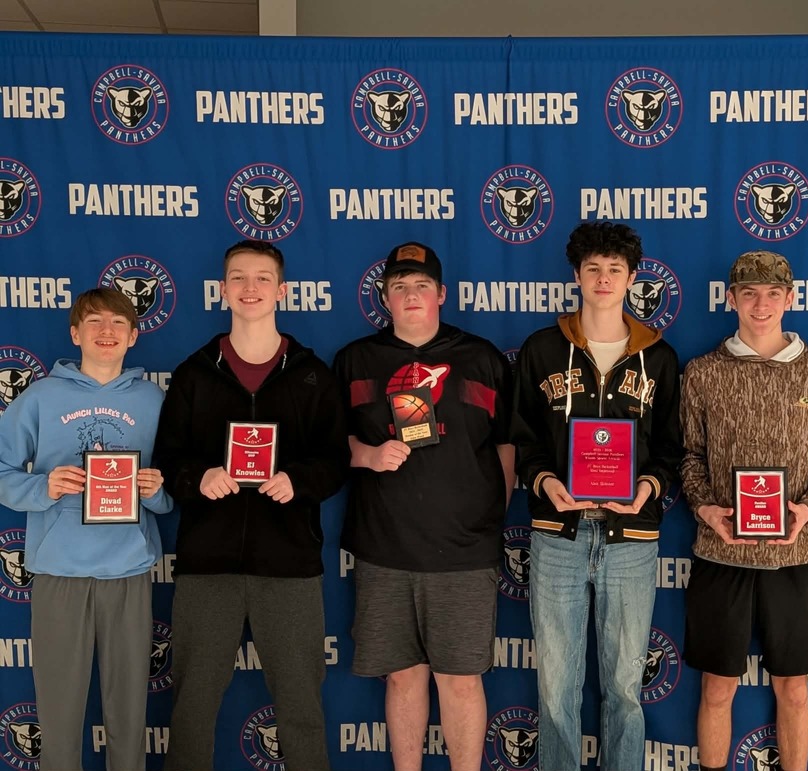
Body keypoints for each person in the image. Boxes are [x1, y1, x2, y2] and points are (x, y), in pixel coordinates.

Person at [154, 240, 349, 771]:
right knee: (192, 705)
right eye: (238, 277)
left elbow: (335, 459)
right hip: (207, 564)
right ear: (222, 290)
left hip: (289, 564)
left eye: (263, 278)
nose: (250, 288)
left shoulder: (311, 374)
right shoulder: (195, 373)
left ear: (282, 291)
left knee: (301, 706)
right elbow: (168, 457)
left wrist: (298, 481)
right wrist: (199, 477)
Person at [332, 241, 514, 771]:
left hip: (464, 550)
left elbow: (506, 445)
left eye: (421, 285)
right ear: (384, 298)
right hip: (385, 546)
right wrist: (367, 455)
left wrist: (491, 513)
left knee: (461, 680)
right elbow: (327, 444)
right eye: (399, 287)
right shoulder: (355, 360)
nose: (410, 295)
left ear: (441, 294)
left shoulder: (481, 358)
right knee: (402, 677)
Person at [511, 221, 682, 771]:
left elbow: (672, 448)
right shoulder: (542, 350)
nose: (603, 279)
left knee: (625, 689)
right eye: (593, 269)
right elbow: (523, 439)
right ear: (576, 275)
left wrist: (648, 488)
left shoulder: (659, 357)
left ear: (632, 279)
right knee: (556, 686)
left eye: (614, 269)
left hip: (631, 536)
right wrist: (545, 483)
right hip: (557, 533)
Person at [680, 251, 808, 771]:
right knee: (716, 689)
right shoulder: (703, 372)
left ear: (790, 298)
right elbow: (688, 456)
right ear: (731, 299)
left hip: (795, 556)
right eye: (749, 293)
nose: (761, 304)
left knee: (794, 690)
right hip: (721, 554)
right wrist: (706, 508)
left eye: (773, 293)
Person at [0, 288, 172, 771]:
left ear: (133, 336)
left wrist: (155, 492)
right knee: (58, 713)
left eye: (118, 322)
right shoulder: (41, 396)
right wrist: (43, 487)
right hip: (60, 570)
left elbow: (175, 489)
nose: (106, 331)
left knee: (128, 712)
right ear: (75, 333)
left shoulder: (154, 400)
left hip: (128, 570)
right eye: (94, 321)